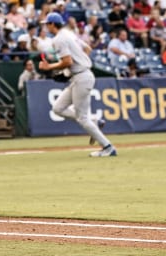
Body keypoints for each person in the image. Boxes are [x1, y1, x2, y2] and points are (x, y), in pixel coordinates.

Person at [37, 13, 116, 157]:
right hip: (79, 75)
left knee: (82, 118)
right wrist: (70, 71)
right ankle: (95, 122)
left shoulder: (59, 39)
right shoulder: (68, 34)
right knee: (58, 108)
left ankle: (108, 147)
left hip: (81, 77)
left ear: (53, 24)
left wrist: (49, 67)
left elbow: (68, 61)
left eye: (47, 24)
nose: (46, 26)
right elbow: (87, 50)